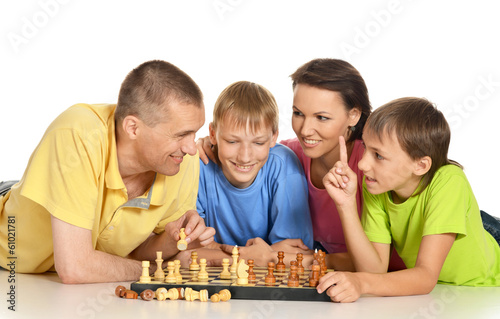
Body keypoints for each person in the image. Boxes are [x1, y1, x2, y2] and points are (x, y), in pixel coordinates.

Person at [0, 60, 215, 283]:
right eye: (180, 135)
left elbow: (138, 250)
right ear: (133, 128)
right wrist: (160, 271)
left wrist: (171, 242)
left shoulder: (183, 162)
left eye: (194, 133)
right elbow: (76, 268)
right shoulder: (77, 134)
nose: (192, 148)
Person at [200, 59, 404, 270]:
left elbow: (375, 267)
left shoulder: (370, 166)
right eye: (298, 113)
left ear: (353, 115)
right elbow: (250, 144)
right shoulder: (291, 155)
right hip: (325, 278)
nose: (305, 130)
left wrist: (274, 257)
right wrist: (206, 144)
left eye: (322, 117)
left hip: (388, 280)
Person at [318, 97, 500, 302]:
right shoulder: (377, 185)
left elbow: (426, 276)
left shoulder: (450, 181)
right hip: (445, 289)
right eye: (366, 149)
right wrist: (346, 205)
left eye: (378, 155)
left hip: (486, 279)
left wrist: (361, 283)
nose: (362, 165)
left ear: (421, 166)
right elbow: (375, 270)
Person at [177, 81, 313, 266]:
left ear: (273, 137)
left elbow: (295, 252)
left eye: (258, 143)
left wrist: (216, 250)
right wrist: (263, 254)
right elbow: (187, 250)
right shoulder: (197, 166)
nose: (245, 157)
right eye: (232, 141)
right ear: (213, 134)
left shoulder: (284, 166)